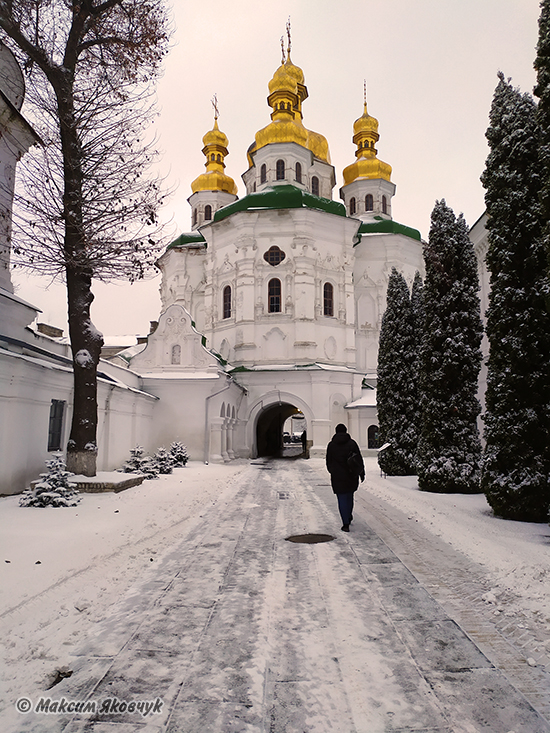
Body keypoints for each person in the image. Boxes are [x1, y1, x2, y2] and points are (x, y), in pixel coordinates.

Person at [325, 423, 365, 532]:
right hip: (351, 475)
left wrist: (333, 471)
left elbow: (328, 461)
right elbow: (359, 459)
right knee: (349, 496)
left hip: (337, 476)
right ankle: (349, 515)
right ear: (346, 431)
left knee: (341, 498)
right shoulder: (352, 444)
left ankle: (345, 523)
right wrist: (361, 473)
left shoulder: (331, 445)